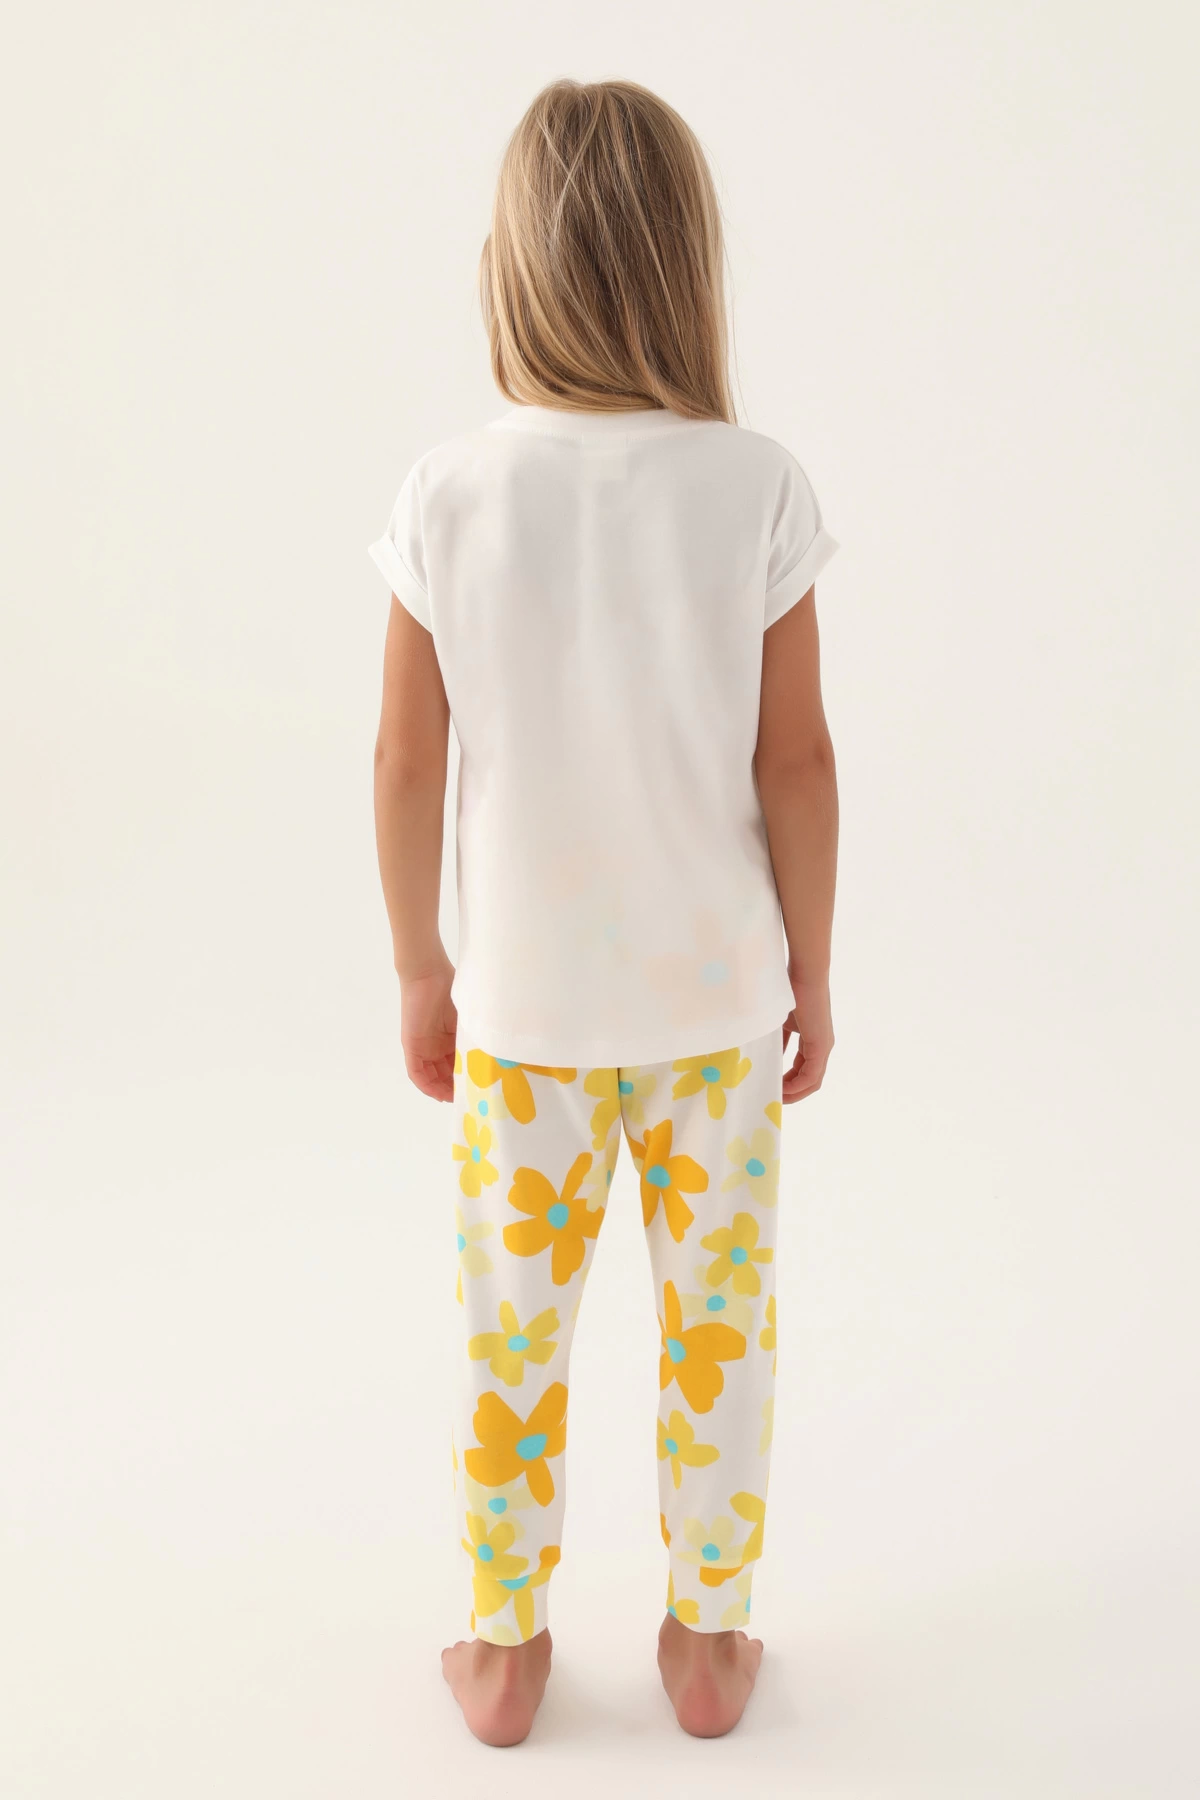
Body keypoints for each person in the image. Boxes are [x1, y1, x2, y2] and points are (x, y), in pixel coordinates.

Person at [369, 77, 839, 1746]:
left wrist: (420, 966)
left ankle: (503, 1652)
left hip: (524, 1019)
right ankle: (708, 1643)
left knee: (511, 1335)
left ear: (511, 267)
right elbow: (798, 764)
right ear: (684, 262)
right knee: (721, 1335)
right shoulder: (756, 485)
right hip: (714, 1012)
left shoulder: (448, 493)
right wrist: (814, 974)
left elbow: (406, 760)